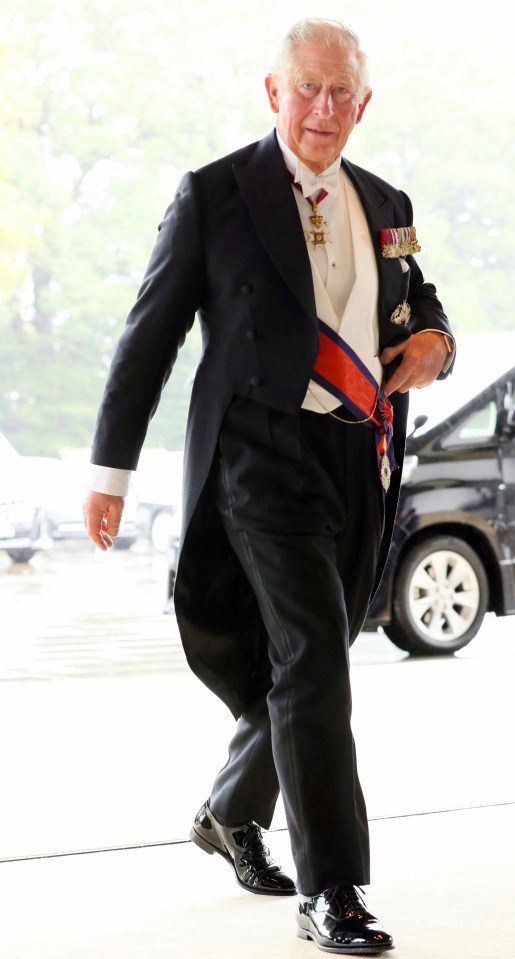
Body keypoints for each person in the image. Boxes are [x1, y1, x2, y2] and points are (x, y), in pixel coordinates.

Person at [83, 18, 454, 954]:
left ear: (362, 104)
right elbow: (148, 339)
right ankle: (332, 889)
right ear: (273, 92)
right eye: (308, 89)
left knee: (311, 656)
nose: (324, 109)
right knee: (315, 662)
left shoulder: (384, 199)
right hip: (255, 460)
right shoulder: (215, 194)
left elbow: (420, 307)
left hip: (355, 458)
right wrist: (109, 471)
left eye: (342, 94)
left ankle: (225, 811)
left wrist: (436, 348)